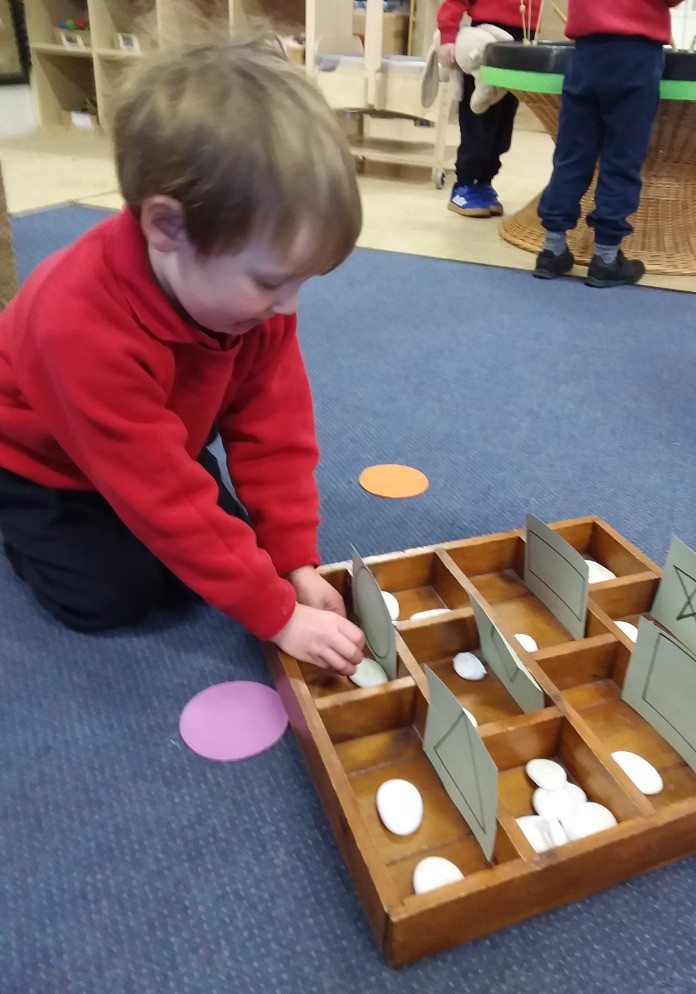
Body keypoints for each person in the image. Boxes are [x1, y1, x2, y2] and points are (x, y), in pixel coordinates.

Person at [0, 37, 366, 677]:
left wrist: (293, 563)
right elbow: (162, 496)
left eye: (302, 282)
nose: (287, 308)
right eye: (271, 280)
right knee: (115, 596)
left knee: (222, 558)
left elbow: (273, 433)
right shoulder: (75, 324)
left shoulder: (255, 305)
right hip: (41, 464)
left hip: (155, 438)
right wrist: (278, 615)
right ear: (167, 228)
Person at [534, 0, 685, 287]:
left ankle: (551, 250)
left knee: (571, 155)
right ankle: (605, 258)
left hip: (586, 52)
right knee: (622, 157)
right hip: (635, 54)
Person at [437, 0, 541, 217]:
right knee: (480, 115)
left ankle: (483, 181)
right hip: (486, 38)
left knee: (504, 119)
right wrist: (447, 35)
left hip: (523, 36)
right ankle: (466, 184)